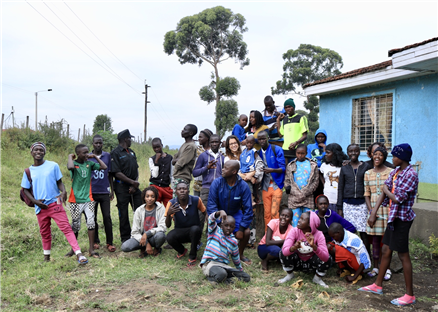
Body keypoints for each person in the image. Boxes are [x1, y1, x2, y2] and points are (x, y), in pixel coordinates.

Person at [359, 144, 418, 307]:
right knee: (386, 250)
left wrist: (385, 189)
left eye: (394, 156)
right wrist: (374, 210)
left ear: (403, 157)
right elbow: (385, 193)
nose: (392, 159)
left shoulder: (411, 174)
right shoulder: (396, 172)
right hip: (393, 217)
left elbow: (398, 198)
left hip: (402, 219)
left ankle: (409, 294)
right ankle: (377, 285)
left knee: (403, 255)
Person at [21, 142, 88, 264]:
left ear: (44, 152)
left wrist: (63, 191)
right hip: (40, 206)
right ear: (31, 152)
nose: (38, 152)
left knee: (66, 228)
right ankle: (46, 258)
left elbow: (59, 182)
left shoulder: (53, 166)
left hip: (54, 202)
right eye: (36, 150)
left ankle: (79, 254)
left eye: (41, 150)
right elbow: (25, 189)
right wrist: (36, 202)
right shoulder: (28, 171)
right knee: (45, 232)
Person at [207, 160, 254, 265]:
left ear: (234, 171)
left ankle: (239, 254)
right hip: (220, 213)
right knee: (216, 230)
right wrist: (219, 221)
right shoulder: (217, 183)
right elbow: (211, 205)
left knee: (245, 232)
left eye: (225, 168)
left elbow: (248, 209)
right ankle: (215, 253)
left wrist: (241, 228)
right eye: (223, 167)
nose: (222, 170)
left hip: (235, 213)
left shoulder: (243, 186)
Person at [67, 144, 107, 259]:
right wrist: (70, 156)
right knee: (75, 225)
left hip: (88, 199)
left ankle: (91, 249)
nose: (86, 154)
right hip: (75, 201)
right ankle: (73, 249)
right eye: (84, 153)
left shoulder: (89, 164)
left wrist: (95, 156)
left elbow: (103, 167)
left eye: (87, 152)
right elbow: (69, 167)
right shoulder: (73, 164)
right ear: (78, 154)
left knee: (91, 223)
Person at [279, 211, 332, 288]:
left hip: (312, 264)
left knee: (328, 258)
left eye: (302, 219)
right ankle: (290, 275)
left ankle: (317, 278)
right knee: (282, 252)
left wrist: (314, 246)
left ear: (310, 224)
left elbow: (325, 257)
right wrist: (294, 248)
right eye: (300, 218)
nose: (299, 220)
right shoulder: (294, 231)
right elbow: (285, 251)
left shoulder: (319, 234)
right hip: (297, 263)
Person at [364, 146, 393, 280]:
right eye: (375, 154)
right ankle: (376, 267)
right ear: (371, 156)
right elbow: (367, 194)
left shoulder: (391, 172)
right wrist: (371, 212)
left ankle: (386, 268)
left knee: (386, 241)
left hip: (387, 210)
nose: (377, 157)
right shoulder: (368, 173)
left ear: (384, 157)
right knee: (375, 240)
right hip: (373, 212)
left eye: (380, 155)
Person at [200, 210, 250, 284]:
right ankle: (212, 278)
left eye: (231, 227)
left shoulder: (233, 241)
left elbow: (236, 258)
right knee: (222, 274)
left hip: (223, 266)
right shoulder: (214, 230)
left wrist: (240, 270)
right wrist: (219, 212)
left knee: (246, 277)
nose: (228, 228)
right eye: (226, 225)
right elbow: (210, 219)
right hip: (210, 264)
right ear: (222, 225)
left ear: (234, 228)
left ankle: (224, 279)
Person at [111, 129, 142, 243]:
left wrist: (135, 184)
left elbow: (136, 169)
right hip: (121, 187)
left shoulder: (132, 152)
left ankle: (140, 234)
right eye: (130, 138)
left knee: (140, 210)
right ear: (125, 139)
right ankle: (125, 238)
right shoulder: (115, 153)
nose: (131, 140)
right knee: (123, 213)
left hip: (134, 187)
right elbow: (116, 173)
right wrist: (131, 182)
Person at [165, 182, 206, 267]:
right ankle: (182, 250)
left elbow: (205, 212)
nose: (182, 191)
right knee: (169, 236)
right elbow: (168, 225)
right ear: (176, 192)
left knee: (195, 229)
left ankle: (193, 255)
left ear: (188, 190)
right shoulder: (171, 203)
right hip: (180, 231)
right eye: (179, 189)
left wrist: (209, 221)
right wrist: (169, 214)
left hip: (194, 231)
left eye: (184, 189)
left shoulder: (196, 200)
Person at [337, 144, 369, 249]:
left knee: (364, 232)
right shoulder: (344, 168)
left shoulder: (366, 167)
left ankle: (366, 255)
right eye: (350, 151)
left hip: (362, 204)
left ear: (359, 152)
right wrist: (340, 207)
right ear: (347, 153)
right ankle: (351, 255)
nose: (353, 153)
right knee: (349, 232)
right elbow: (340, 188)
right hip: (348, 205)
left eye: (356, 151)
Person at [121, 186, 166, 257]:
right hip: (141, 238)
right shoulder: (139, 210)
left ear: (156, 197)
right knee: (125, 247)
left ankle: (157, 248)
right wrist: (146, 243)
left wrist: (147, 234)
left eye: (152, 196)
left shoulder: (161, 208)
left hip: (154, 236)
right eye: (147, 196)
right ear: (144, 198)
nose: (150, 199)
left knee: (161, 235)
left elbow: (162, 227)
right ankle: (143, 247)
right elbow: (134, 232)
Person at [89, 134, 115, 252]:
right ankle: (95, 241)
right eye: (96, 143)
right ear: (93, 144)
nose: (98, 145)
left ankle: (109, 242)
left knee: (107, 217)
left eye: (100, 143)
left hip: (104, 191)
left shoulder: (107, 156)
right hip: (92, 192)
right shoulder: (88, 157)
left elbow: (109, 174)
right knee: (92, 217)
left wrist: (112, 190)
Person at [284, 144, 319, 227]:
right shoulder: (291, 165)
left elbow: (315, 182)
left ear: (306, 153)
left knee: (309, 222)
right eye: (298, 153)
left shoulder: (312, 165)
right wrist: (290, 189)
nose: (300, 155)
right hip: (294, 199)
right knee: (295, 223)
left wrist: (305, 193)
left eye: (302, 153)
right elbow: (287, 181)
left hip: (308, 198)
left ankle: (307, 239)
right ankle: (296, 239)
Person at [258, 131, 286, 232]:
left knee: (274, 212)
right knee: (267, 214)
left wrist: (272, 170)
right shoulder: (258, 153)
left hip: (276, 185)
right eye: (260, 139)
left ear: (268, 137)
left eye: (263, 138)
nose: (262, 141)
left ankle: (277, 233)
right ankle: (267, 234)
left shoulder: (276, 149)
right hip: (265, 186)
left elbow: (283, 168)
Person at [193, 134, 224, 205]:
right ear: (209, 143)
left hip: (220, 189)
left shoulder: (223, 157)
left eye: (216, 142)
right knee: (203, 212)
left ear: (220, 143)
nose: (214, 144)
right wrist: (206, 167)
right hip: (206, 188)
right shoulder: (203, 156)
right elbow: (195, 173)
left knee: (219, 212)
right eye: (212, 142)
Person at [319, 143, 348, 215]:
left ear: (335, 154)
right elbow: (320, 173)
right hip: (327, 199)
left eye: (328, 153)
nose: (326, 154)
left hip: (340, 201)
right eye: (326, 152)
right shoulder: (324, 166)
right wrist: (324, 183)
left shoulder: (343, 166)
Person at [276, 98, 309, 163]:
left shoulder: (301, 118)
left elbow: (305, 135)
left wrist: (296, 143)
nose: (288, 109)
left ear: (293, 107)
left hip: (298, 151)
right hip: (286, 151)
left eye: (289, 107)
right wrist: (278, 120)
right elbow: (280, 134)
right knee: (287, 171)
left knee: (297, 171)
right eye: (286, 107)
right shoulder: (285, 120)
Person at [172, 124, 198, 193]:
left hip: (183, 178)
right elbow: (174, 159)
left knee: (179, 201)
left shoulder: (191, 146)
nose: (182, 131)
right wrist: (176, 160)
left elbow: (180, 163)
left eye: (185, 130)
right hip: (178, 177)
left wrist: (177, 162)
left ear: (191, 133)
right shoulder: (185, 144)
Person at [149, 137, 173, 207]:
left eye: (158, 147)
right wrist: (156, 161)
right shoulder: (152, 159)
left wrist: (172, 187)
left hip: (166, 187)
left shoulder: (169, 158)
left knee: (170, 208)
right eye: (154, 148)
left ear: (162, 145)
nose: (156, 149)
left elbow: (171, 174)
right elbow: (154, 175)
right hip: (155, 186)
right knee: (154, 207)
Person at [238, 135, 260, 205]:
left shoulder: (254, 151)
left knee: (249, 187)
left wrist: (254, 173)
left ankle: (252, 200)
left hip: (249, 170)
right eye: (247, 143)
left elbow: (258, 161)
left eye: (251, 143)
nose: (249, 144)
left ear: (254, 143)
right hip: (242, 171)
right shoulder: (244, 151)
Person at [193, 129, 213, 197]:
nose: (199, 139)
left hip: (209, 184)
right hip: (197, 183)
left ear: (207, 138)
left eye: (201, 137)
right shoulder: (196, 150)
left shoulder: (214, 151)